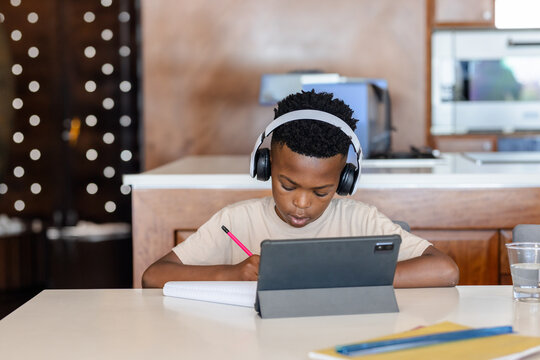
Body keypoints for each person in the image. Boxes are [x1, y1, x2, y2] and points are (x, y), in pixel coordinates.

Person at [142, 90, 459, 288]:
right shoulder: (235, 222)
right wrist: (233, 274)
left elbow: (444, 271)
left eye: (322, 191)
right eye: (288, 185)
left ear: (345, 181)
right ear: (265, 167)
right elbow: (154, 276)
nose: (302, 203)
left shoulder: (361, 221)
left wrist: (350, 276)